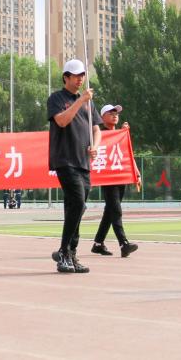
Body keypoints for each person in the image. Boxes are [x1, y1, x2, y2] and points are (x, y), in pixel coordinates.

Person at [48, 59, 103, 274]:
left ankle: (70, 253)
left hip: (83, 162)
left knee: (76, 207)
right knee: (78, 203)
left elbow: (96, 129)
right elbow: (62, 121)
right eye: (76, 75)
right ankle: (64, 251)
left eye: (82, 75)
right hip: (65, 160)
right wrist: (80, 100)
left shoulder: (89, 103)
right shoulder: (57, 98)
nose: (80, 79)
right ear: (66, 77)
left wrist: (95, 146)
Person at [90, 104, 140, 258]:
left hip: (121, 176)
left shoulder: (120, 134)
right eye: (111, 113)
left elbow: (128, 155)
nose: (115, 115)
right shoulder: (99, 134)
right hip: (108, 178)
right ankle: (124, 244)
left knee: (110, 211)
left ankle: (98, 244)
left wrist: (136, 173)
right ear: (102, 117)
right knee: (116, 210)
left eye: (116, 113)